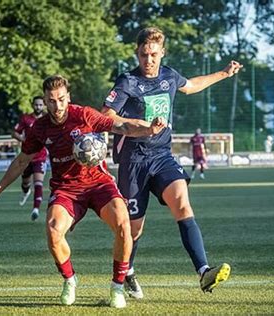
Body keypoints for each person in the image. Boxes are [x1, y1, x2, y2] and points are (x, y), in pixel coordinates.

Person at [0, 75, 166, 308]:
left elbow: (122, 125)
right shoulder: (40, 128)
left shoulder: (84, 115)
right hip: (66, 189)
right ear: (45, 102)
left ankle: (117, 287)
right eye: (51, 101)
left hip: (98, 183)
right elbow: (21, 161)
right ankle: (69, 279)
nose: (57, 106)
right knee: (53, 231)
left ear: (68, 97)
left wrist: (150, 128)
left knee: (123, 224)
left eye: (61, 99)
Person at [102, 27, 243, 298]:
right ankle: (125, 274)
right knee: (133, 229)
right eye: (144, 55)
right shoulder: (127, 82)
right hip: (133, 161)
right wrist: (140, 125)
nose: (149, 60)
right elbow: (106, 116)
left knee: (182, 202)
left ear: (162, 53)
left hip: (162, 157)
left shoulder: (169, 75)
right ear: (137, 53)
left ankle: (203, 272)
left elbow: (191, 86)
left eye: (154, 54)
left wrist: (224, 73)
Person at [12, 96, 49, 221]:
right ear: (32, 105)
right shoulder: (26, 118)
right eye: (36, 105)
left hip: (41, 155)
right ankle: (25, 191)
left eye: (40, 105)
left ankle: (36, 209)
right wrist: (24, 140)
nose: (38, 107)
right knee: (25, 182)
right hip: (27, 156)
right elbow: (15, 132)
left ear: (44, 105)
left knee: (38, 182)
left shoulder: (47, 119)